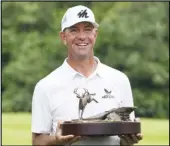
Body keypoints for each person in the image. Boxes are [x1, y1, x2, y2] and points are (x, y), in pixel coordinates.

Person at [31, 5, 143, 145]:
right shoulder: (45, 86)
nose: (82, 36)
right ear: (63, 37)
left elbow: (126, 136)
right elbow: (37, 141)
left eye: (88, 30)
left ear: (95, 35)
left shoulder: (120, 80)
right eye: (74, 30)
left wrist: (129, 141)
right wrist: (56, 140)